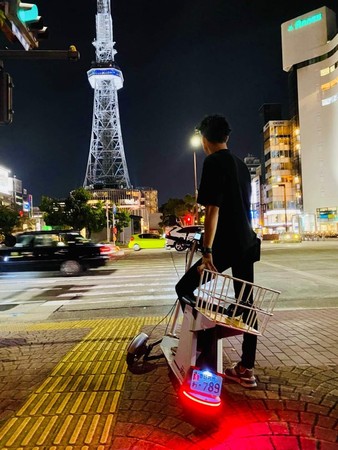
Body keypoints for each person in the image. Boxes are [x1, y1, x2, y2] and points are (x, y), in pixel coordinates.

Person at [175, 114, 261, 388]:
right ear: (226, 137)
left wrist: (207, 250)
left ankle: (208, 344)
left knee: (185, 289)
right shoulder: (240, 165)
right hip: (247, 242)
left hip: (225, 245)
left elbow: (213, 210)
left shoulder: (213, 161)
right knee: (246, 302)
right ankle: (246, 368)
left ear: (204, 139)